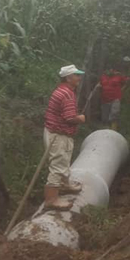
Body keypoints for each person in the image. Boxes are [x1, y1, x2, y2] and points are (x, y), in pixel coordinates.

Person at [42, 65, 86, 211]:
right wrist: (80, 118)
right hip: (58, 135)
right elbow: (69, 118)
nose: (79, 78)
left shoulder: (63, 91)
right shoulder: (66, 94)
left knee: (63, 161)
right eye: (76, 75)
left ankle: (65, 185)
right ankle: (51, 199)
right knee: (58, 166)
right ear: (68, 78)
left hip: (55, 132)